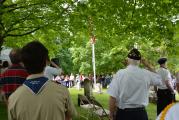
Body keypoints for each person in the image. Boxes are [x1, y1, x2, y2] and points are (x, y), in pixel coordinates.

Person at [8, 41, 76, 120]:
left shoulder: (13, 98)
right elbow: (70, 116)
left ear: (23, 63)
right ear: (45, 62)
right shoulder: (62, 91)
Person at [107, 48, 162, 120]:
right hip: (140, 114)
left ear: (128, 60)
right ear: (139, 61)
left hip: (124, 114)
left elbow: (112, 97)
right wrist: (147, 65)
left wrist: (111, 114)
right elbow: (159, 79)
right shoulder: (146, 73)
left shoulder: (120, 73)